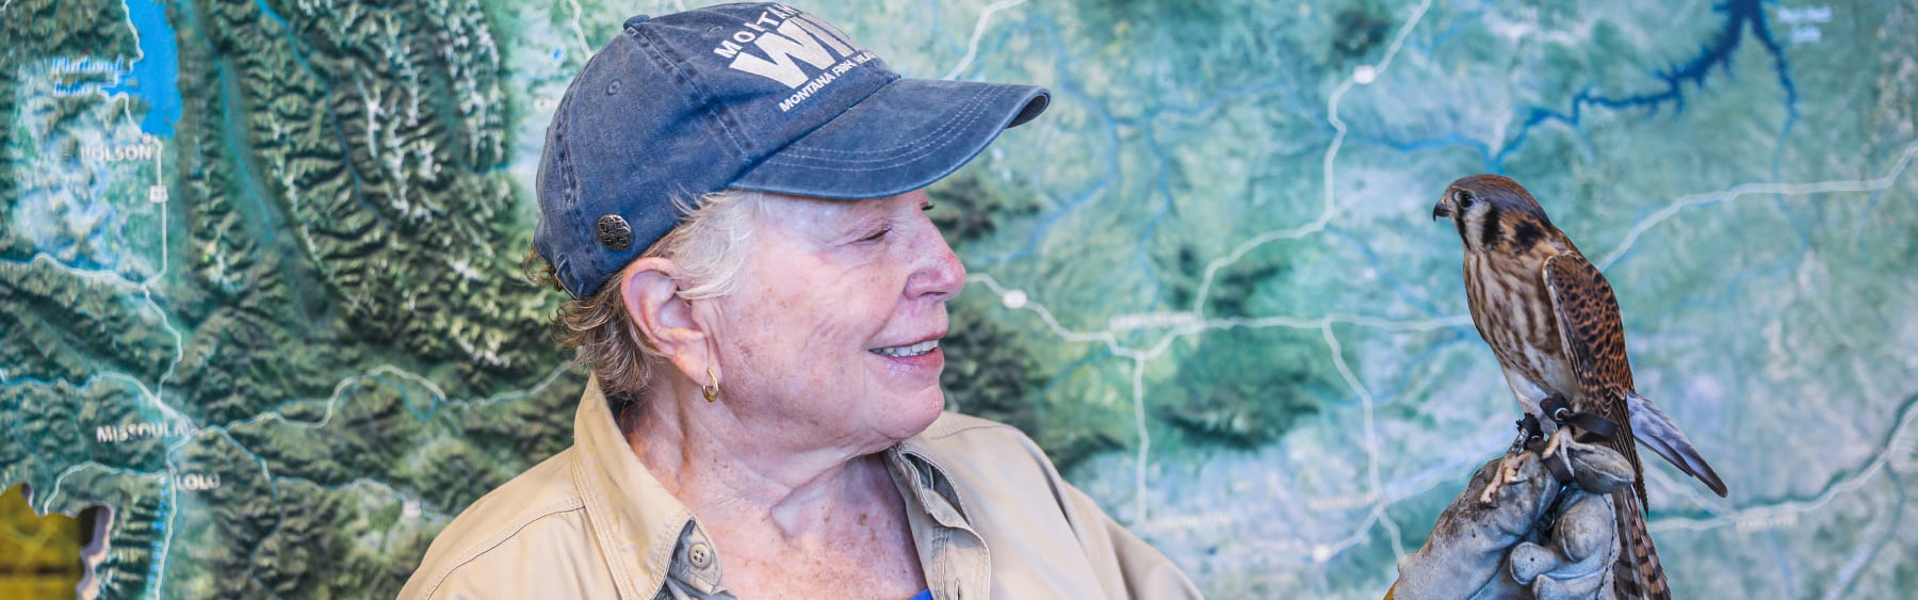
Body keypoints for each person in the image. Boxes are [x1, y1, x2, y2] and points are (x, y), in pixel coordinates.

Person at [398, 3, 1629, 599]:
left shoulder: (997, 476)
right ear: (675, 316)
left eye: (927, 215)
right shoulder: (507, 587)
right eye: (870, 229)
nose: (944, 269)